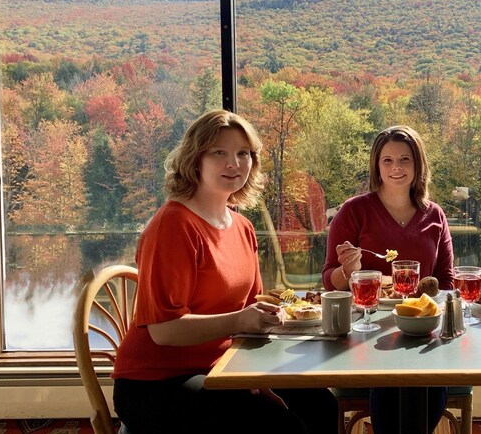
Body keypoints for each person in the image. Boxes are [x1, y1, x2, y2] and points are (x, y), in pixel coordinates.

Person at [112, 109, 337, 434]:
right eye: (220, 153)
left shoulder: (243, 227)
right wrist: (239, 325)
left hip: (222, 366)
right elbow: (164, 331)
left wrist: (256, 374)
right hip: (157, 382)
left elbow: (253, 313)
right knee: (280, 427)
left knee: (320, 405)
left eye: (243, 153)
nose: (234, 163)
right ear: (195, 160)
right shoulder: (173, 225)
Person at [322, 124, 455, 434]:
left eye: (405, 159)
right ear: (376, 166)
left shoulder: (434, 215)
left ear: (417, 164)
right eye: (387, 160)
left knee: (428, 383)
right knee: (390, 379)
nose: (396, 168)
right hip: (368, 330)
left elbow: (446, 281)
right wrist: (347, 269)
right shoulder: (354, 211)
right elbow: (330, 283)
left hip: (423, 329)